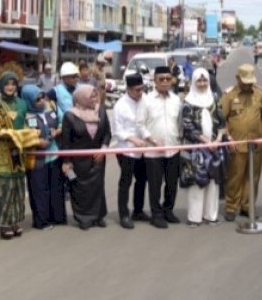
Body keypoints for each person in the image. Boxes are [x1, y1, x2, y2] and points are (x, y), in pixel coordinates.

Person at [0, 66, 39, 239]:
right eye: (7, 84)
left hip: (17, 153)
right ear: (1, 85)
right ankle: (4, 223)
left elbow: (25, 125)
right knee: (3, 188)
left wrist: (31, 134)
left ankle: (15, 220)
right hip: (0, 153)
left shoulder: (21, 104)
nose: (11, 87)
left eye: (13, 84)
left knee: (17, 188)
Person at [60, 85, 112, 230]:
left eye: (96, 96)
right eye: (91, 97)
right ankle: (83, 218)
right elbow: (66, 141)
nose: (95, 99)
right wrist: (67, 161)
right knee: (79, 188)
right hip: (78, 160)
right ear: (81, 99)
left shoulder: (100, 111)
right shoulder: (70, 115)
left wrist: (103, 150)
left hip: (98, 158)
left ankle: (98, 216)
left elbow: (107, 133)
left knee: (97, 187)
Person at [180, 68, 227, 227]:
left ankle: (211, 216)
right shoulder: (188, 101)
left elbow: (222, 122)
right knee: (196, 183)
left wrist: (218, 140)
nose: (202, 84)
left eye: (204, 80)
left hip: (215, 149)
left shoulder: (214, 99)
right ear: (193, 82)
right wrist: (207, 142)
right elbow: (188, 127)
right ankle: (195, 217)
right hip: (195, 150)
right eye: (199, 81)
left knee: (213, 183)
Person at [138, 66, 182, 228]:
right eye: (161, 79)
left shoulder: (176, 99)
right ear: (154, 81)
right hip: (153, 151)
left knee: (172, 183)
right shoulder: (146, 100)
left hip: (173, 149)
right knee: (155, 185)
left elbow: (180, 123)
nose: (164, 82)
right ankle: (156, 214)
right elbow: (140, 125)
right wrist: (153, 140)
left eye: (167, 79)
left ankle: (168, 210)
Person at [221, 64, 262, 221]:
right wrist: (228, 138)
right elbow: (223, 120)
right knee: (235, 176)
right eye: (245, 81)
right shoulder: (229, 95)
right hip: (237, 144)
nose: (248, 85)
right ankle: (231, 206)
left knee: (253, 177)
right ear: (238, 78)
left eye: (250, 82)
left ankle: (247, 206)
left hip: (256, 144)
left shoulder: (259, 94)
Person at [21, 84, 66, 230]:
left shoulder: (51, 106)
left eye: (42, 96)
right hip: (36, 158)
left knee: (56, 187)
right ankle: (42, 221)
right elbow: (22, 135)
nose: (41, 101)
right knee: (39, 190)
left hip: (54, 155)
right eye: (37, 99)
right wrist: (36, 141)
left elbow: (62, 121)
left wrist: (57, 131)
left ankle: (57, 217)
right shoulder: (24, 115)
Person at [113, 73, 150, 229]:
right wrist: (133, 140)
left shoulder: (145, 100)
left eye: (142, 89)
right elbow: (118, 131)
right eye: (136, 90)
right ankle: (124, 214)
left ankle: (138, 210)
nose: (140, 93)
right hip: (126, 150)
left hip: (143, 149)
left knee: (142, 180)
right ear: (128, 89)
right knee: (126, 182)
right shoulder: (120, 106)